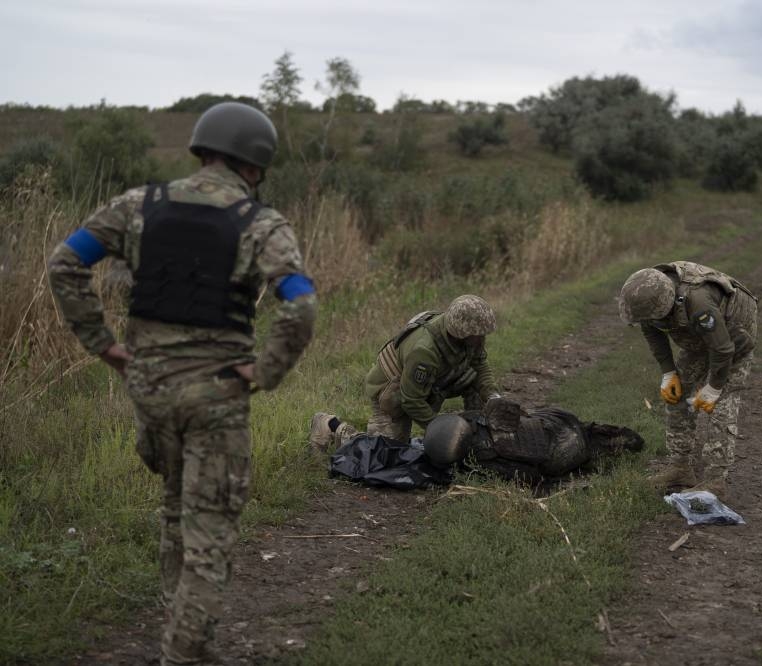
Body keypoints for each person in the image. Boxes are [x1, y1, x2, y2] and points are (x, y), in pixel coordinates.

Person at [48, 102, 316, 666]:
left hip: (149, 393)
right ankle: (183, 653)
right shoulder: (261, 224)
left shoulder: (138, 205)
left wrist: (104, 345)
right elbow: (299, 303)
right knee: (209, 535)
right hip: (215, 395)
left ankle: (185, 638)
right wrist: (265, 370)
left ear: (201, 148)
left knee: (175, 508)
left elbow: (66, 263)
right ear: (255, 163)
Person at [618, 261, 758, 498]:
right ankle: (680, 468)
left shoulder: (698, 302)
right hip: (698, 336)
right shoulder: (650, 294)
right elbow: (650, 328)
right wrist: (668, 372)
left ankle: (715, 481)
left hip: (733, 335)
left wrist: (713, 387)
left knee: (722, 404)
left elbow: (723, 349)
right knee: (677, 394)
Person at [316, 396, 644, 486]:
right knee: (388, 449)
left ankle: (334, 425)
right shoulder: (480, 428)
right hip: (565, 430)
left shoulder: (480, 451)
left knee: (390, 450)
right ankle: (332, 425)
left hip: (564, 438)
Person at [311, 295, 501, 447]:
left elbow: (479, 365)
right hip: (392, 392)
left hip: (423, 385)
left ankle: (478, 436)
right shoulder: (425, 350)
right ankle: (330, 425)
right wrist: (444, 432)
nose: (481, 339)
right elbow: (410, 400)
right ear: (461, 333)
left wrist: (493, 396)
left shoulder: (467, 338)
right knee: (384, 454)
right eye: (477, 335)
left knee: (474, 382)